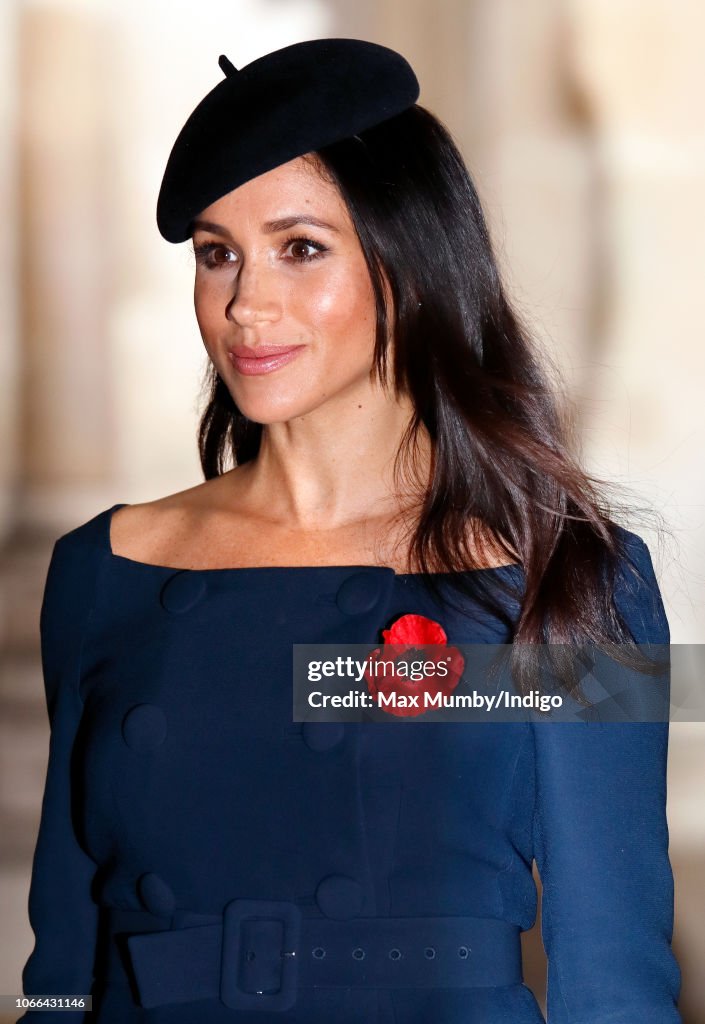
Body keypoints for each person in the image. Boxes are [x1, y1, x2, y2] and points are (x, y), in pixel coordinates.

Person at [17, 38, 682, 1024]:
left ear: (408, 262)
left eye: (300, 247)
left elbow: (613, 976)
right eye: (217, 254)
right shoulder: (103, 568)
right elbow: (65, 968)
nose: (246, 303)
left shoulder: (573, 574)